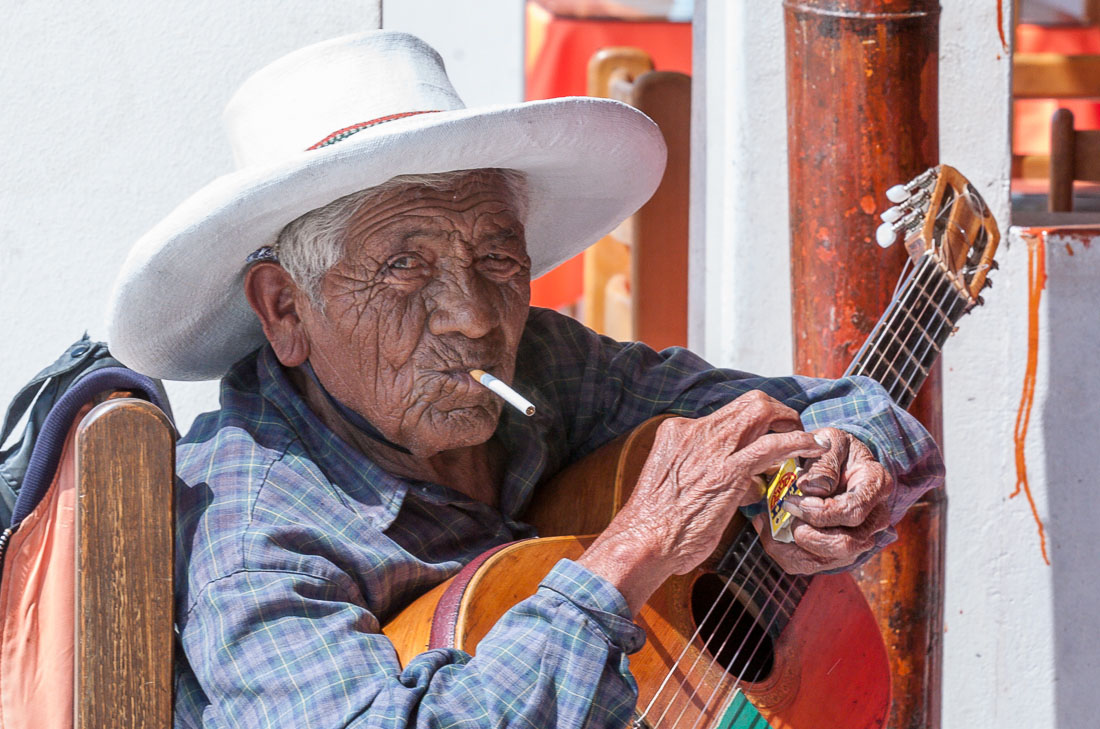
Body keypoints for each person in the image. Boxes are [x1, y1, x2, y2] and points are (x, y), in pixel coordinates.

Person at [107, 31, 943, 729]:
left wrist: (840, 467)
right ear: (285, 307)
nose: (473, 315)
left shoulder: (542, 364)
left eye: (498, 256)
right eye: (405, 267)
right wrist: (633, 549)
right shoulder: (255, 535)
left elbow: (820, 409)